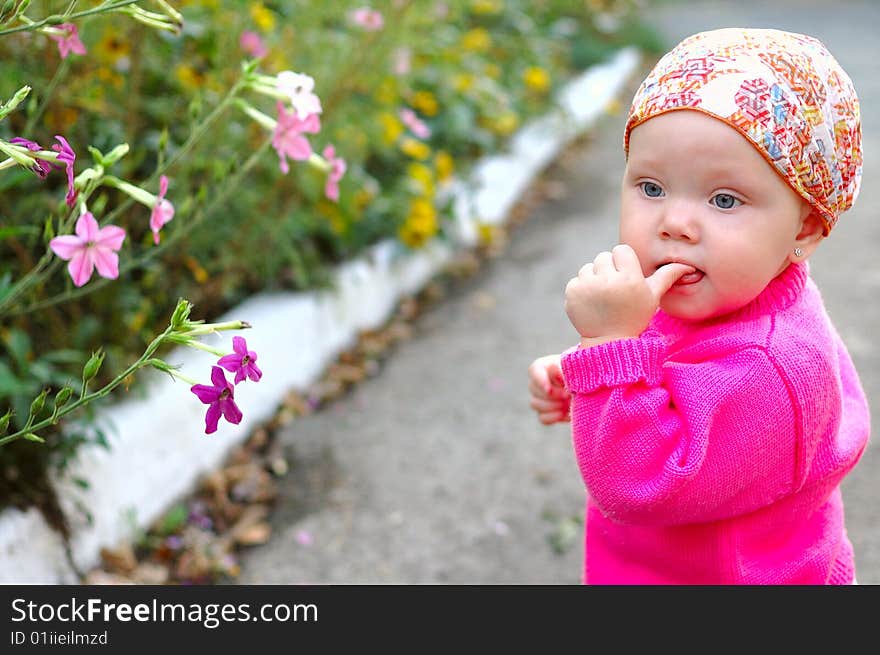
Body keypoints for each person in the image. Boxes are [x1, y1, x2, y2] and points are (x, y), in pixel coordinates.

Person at [527, 28, 869, 584]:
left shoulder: (768, 369)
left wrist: (611, 348)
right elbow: (671, 366)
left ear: (805, 226)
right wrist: (589, 371)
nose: (675, 223)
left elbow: (635, 483)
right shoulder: (721, 293)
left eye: (724, 199)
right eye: (652, 187)